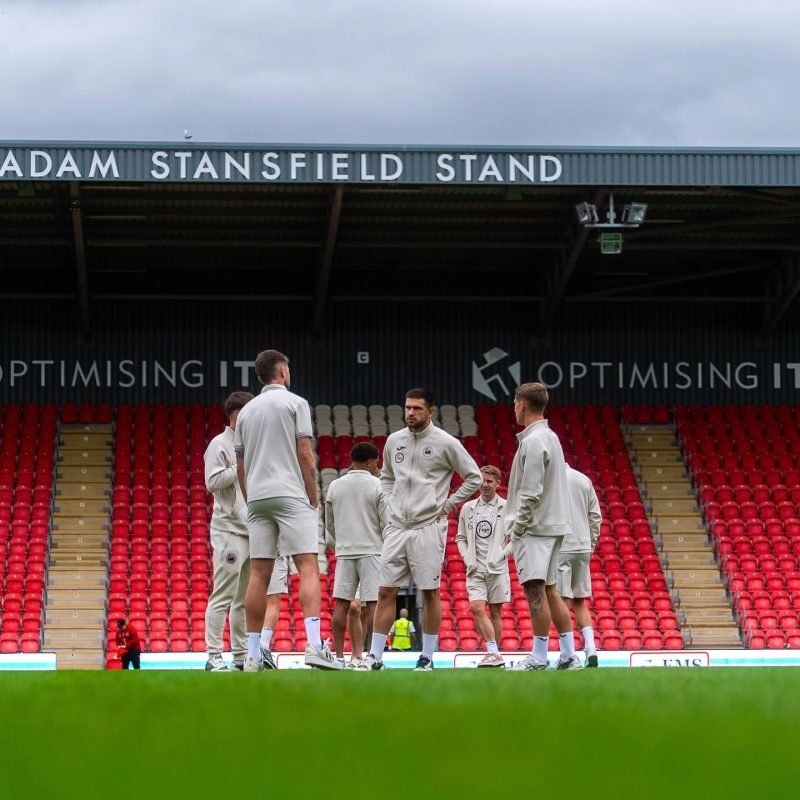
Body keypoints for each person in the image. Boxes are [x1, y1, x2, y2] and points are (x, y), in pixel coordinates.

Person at [234, 349, 339, 671]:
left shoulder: (247, 411)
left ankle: (252, 655)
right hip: (291, 493)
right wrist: (312, 494)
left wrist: (251, 497)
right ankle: (314, 645)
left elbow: (240, 464)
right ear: (282, 371)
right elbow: (304, 452)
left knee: (259, 574)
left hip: (258, 497)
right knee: (307, 564)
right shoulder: (296, 403)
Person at [365, 388, 482, 671]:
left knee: (429, 592)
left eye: (417, 408)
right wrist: (390, 502)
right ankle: (374, 657)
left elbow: (474, 477)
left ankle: (427, 656)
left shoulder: (445, 442)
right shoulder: (395, 441)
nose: (410, 413)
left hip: (428, 526)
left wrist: (448, 505)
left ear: (431, 411)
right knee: (384, 591)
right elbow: (387, 477)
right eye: (407, 408)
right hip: (396, 527)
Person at [506, 382, 581, 671]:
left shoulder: (534, 441)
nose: (514, 408)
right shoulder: (550, 437)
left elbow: (531, 491)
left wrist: (519, 527)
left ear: (522, 405)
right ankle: (568, 655)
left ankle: (538, 658)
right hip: (552, 525)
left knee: (535, 590)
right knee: (550, 589)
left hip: (535, 528)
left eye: (515, 403)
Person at [326, 441, 386, 670]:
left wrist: (338, 547)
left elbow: (329, 526)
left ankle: (340, 657)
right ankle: (371, 657)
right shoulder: (378, 485)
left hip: (345, 550)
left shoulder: (335, 485)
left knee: (341, 605)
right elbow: (386, 523)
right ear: (370, 462)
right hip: (372, 550)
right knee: (374, 606)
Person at [204, 391, 253, 672]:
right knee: (222, 594)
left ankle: (240, 654)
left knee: (242, 599)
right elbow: (212, 482)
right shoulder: (219, 445)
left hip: (250, 530)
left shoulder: (251, 445)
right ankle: (213, 654)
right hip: (229, 531)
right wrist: (240, 467)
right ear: (236, 416)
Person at [456, 465, 511, 668]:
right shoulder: (468, 508)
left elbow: (516, 538)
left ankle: (493, 655)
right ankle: (493, 652)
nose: (484, 484)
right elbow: (460, 537)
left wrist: (501, 555)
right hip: (475, 569)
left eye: (489, 481)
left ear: (498, 483)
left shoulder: (507, 507)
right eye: (482, 480)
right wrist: (466, 557)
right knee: (476, 608)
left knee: (496, 613)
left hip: (497, 568)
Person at [558, 464, 602, 668]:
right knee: (580, 602)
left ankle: (567, 654)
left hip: (562, 546)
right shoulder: (584, 480)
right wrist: (590, 545)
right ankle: (591, 648)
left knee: (563, 601)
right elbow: (595, 517)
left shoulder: (552, 480)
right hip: (582, 548)